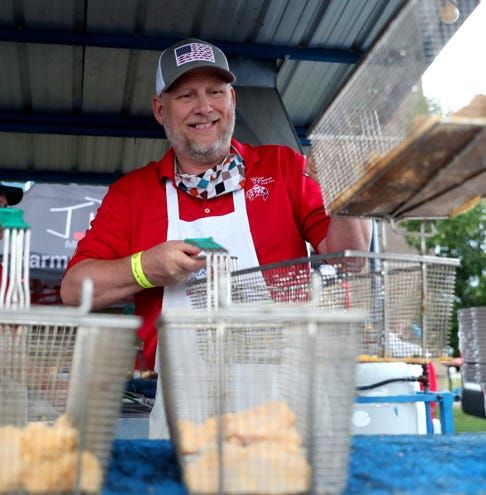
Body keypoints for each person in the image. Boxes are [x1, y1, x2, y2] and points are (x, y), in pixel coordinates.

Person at [60, 38, 372, 438]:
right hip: (188, 408)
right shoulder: (132, 194)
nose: (204, 107)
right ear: (160, 109)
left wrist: (348, 189)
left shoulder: (283, 168)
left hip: (292, 397)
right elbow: (73, 288)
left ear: (232, 99)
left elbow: (350, 260)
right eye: (186, 95)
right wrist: (144, 268)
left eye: (215, 92)